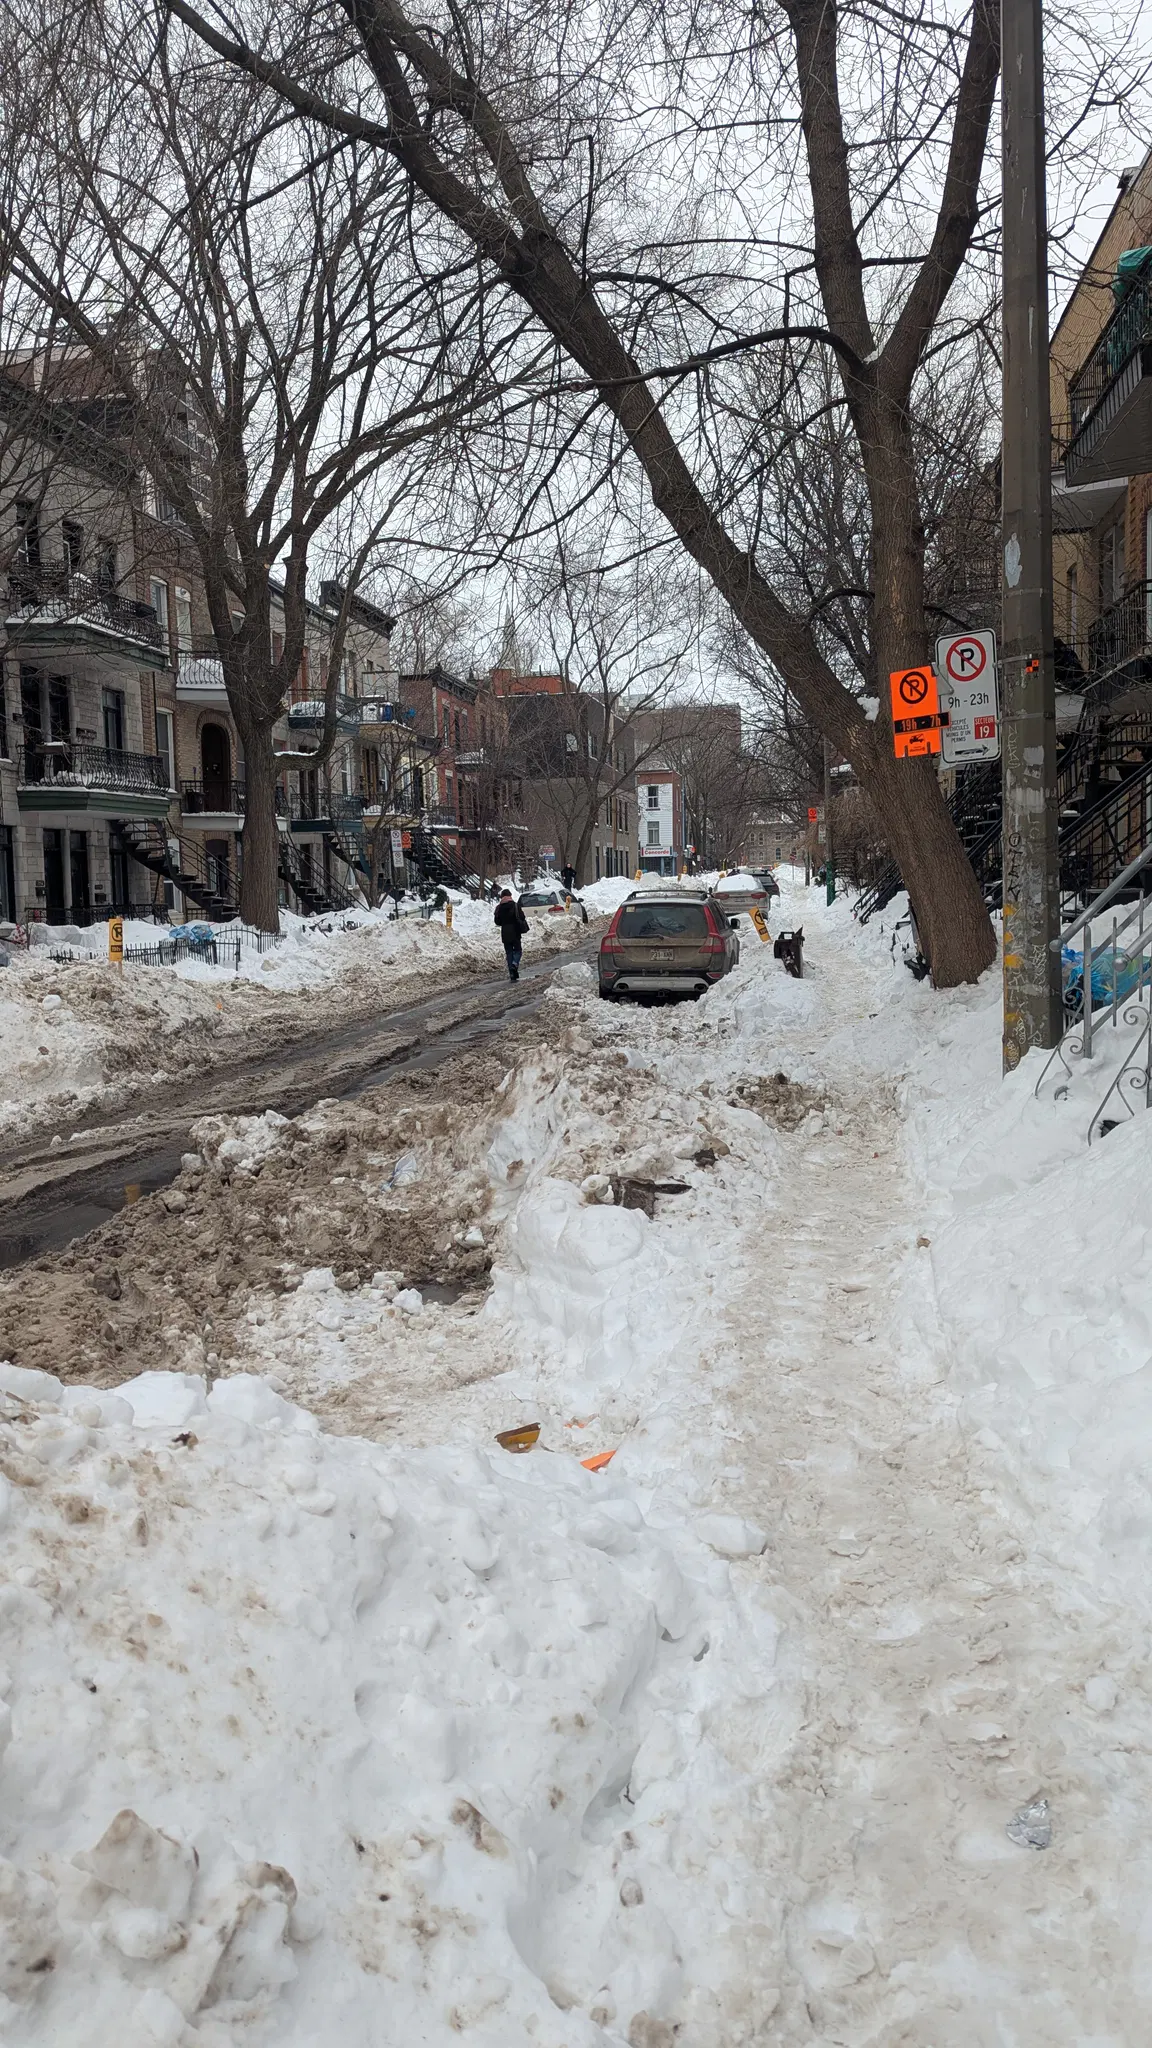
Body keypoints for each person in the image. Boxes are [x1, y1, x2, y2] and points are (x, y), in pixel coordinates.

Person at [493, 887, 529, 981]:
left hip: (505, 932)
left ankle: (512, 973)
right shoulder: (515, 905)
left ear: (502, 897)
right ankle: (515, 964)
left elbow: (497, 921)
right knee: (518, 950)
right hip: (515, 931)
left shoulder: (499, 907)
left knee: (509, 952)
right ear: (510, 896)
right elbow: (522, 916)